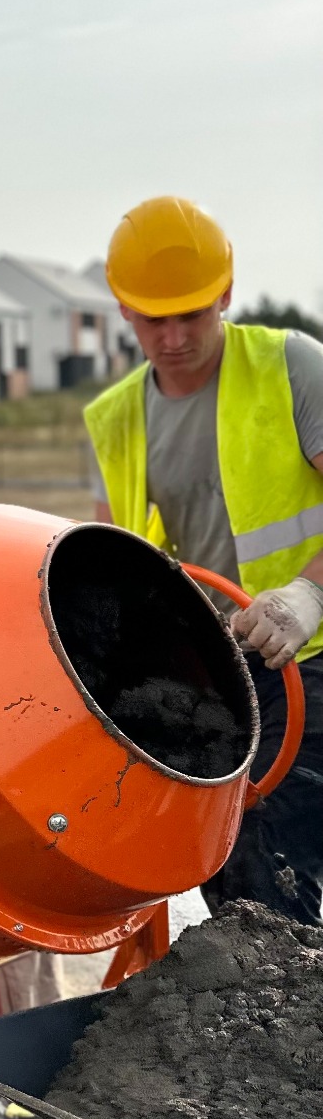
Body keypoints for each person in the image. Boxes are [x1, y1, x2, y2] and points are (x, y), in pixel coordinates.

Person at [85, 195, 323, 922]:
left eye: (192, 313)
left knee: (268, 835)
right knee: (226, 861)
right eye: (155, 318)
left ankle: (287, 1012)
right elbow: (112, 567)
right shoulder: (116, 418)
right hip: (229, 670)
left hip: (316, 652)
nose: (176, 335)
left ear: (225, 293)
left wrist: (309, 596)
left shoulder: (291, 367)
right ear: (124, 310)